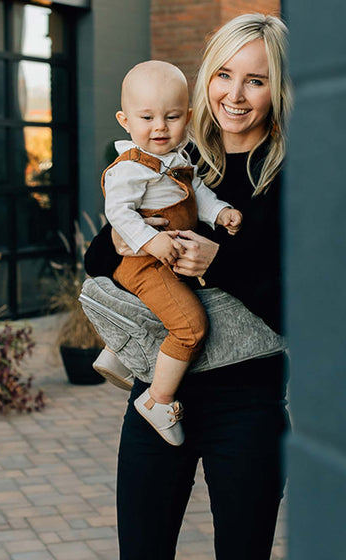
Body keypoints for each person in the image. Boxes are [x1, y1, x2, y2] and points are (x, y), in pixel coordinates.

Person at [84, 13, 293, 560]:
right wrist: (147, 239)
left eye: (257, 79)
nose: (236, 94)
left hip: (248, 400)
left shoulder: (293, 175)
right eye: (224, 74)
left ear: (279, 88)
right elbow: (98, 257)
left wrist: (221, 262)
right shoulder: (172, 157)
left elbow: (302, 308)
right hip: (160, 396)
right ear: (206, 80)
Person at [97, 60, 243, 447]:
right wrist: (149, 240)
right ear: (124, 120)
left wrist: (219, 213)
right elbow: (118, 213)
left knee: (169, 305)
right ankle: (158, 399)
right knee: (190, 325)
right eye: (147, 117)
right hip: (145, 263)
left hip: (167, 261)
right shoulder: (128, 168)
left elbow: (198, 195)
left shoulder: (178, 157)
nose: (160, 126)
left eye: (172, 116)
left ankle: (117, 353)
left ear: (188, 117)